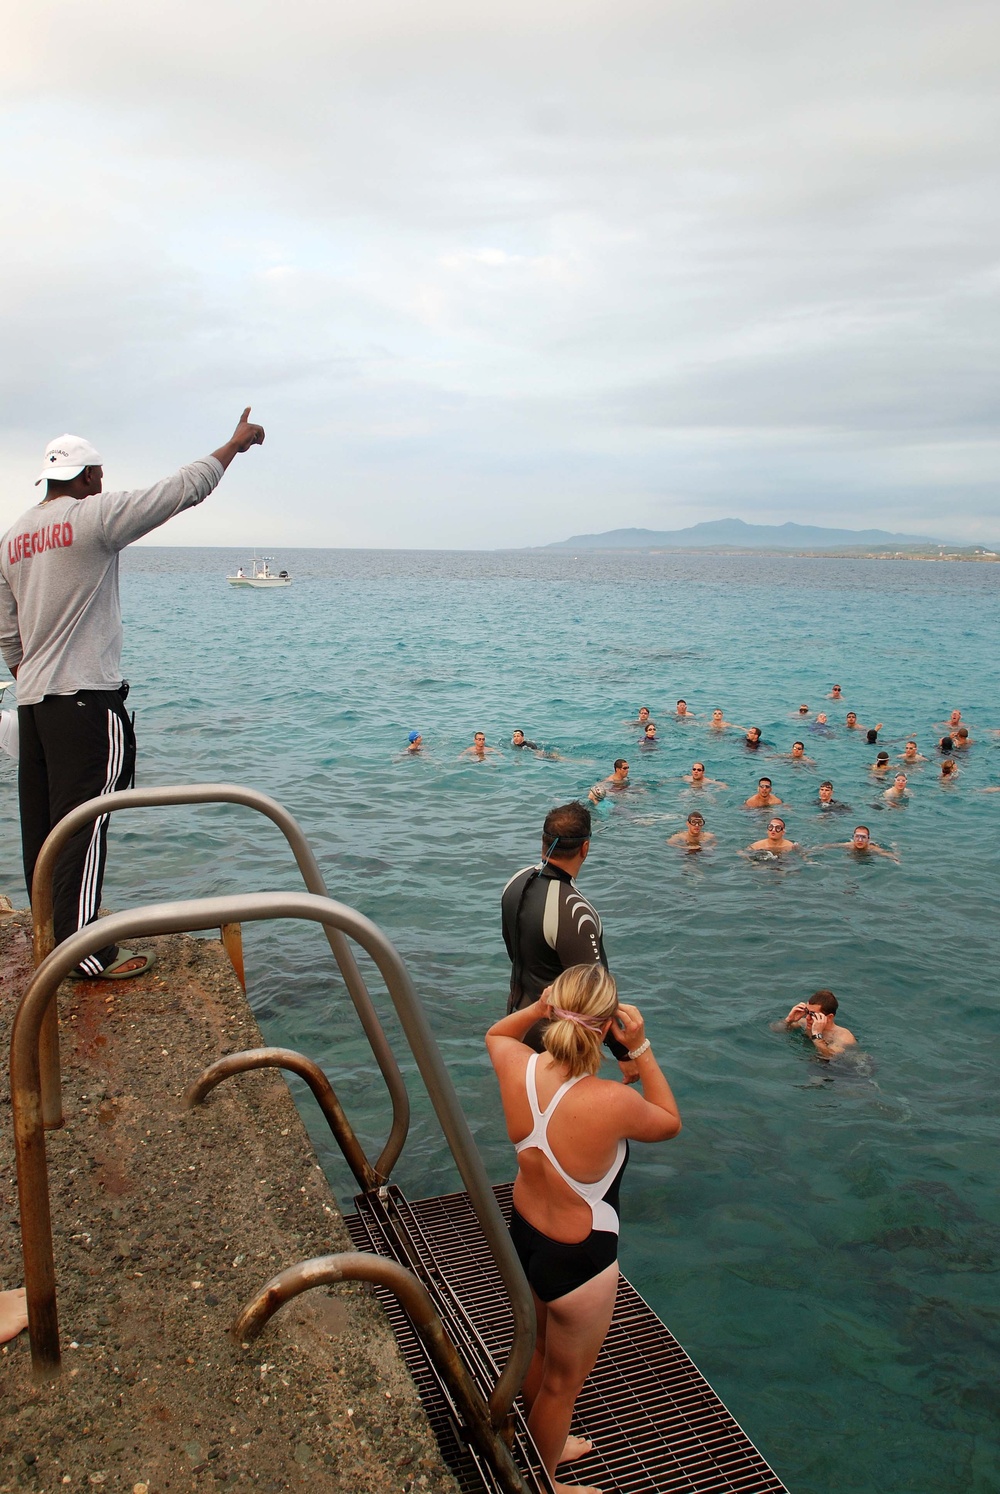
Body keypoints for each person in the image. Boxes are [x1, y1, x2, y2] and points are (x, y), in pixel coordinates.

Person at [0, 410, 265, 979]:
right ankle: (85, 955)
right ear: (87, 475)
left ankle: (50, 939)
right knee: (87, 824)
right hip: (85, 700)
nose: (103, 481)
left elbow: (7, 631)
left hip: (33, 703)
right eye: (98, 473)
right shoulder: (94, 518)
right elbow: (176, 492)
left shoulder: (15, 536)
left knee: (44, 828)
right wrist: (233, 446)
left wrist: (30, 675)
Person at [485, 966, 681, 1494]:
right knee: (563, 1386)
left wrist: (537, 1007)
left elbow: (498, 1032)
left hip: (523, 1234)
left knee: (538, 1349)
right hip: (580, 1259)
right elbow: (668, 1119)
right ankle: (546, 1481)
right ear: (606, 1026)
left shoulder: (518, 1065)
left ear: (554, 1008)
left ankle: (542, 1437)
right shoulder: (610, 1102)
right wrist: (640, 1048)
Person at [501, 801, 635, 1081]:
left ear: (543, 841)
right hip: (558, 1043)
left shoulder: (514, 882)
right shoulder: (575, 911)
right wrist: (625, 1054)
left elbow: (515, 951)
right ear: (585, 848)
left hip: (518, 1023)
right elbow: (597, 994)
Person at [779, 990, 856, 1058]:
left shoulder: (843, 1036)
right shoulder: (804, 1023)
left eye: (813, 1015)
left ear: (829, 1017)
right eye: (807, 1012)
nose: (807, 1018)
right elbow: (775, 1030)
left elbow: (831, 1057)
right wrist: (788, 1020)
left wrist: (817, 1036)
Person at [816, 825, 898, 861]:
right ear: (853, 838)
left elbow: (888, 854)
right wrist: (815, 849)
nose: (860, 840)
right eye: (857, 837)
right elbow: (829, 846)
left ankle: (894, 845)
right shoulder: (848, 845)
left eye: (863, 837)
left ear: (868, 839)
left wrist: (895, 859)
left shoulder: (872, 848)